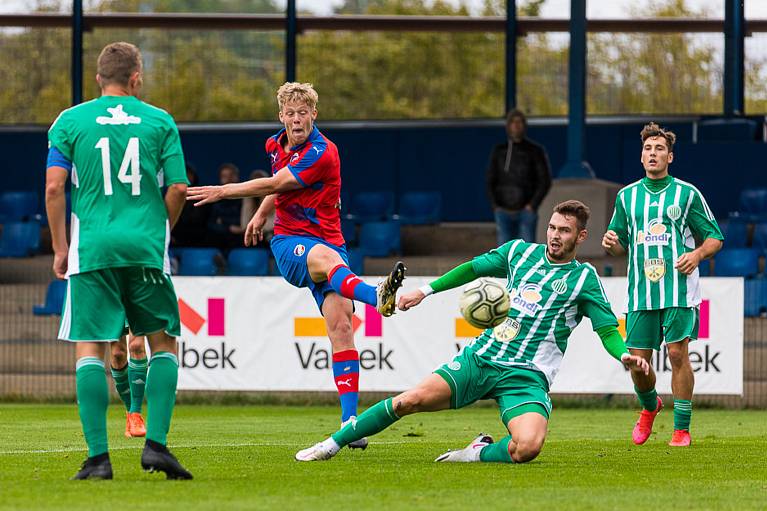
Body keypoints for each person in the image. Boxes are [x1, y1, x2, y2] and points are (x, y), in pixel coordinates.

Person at [295, 200, 650, 463]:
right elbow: (474, 268)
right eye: (553, 228)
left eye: (565, 231)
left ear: (581, 236)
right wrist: (425, 291)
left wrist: (623, 354)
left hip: (527, 378)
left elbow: (607, 331)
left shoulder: (585, 279)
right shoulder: (519, 253)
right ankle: (332, 444)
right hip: (482, 358)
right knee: (409, 401)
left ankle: (475, 453)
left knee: (527, 448)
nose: (556, 236)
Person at [186, 82, 406, 449]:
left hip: (330, 244)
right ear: (281, 117)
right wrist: (260, 213)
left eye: (303, 112)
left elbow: (278, 182)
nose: (296, 119)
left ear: (314, 115)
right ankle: (375, 294)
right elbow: (278, 187)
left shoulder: (323, 152)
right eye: (290, 113)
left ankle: (350, 421)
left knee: (341, 328)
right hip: (291, 243)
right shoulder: (275, 145)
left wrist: (225, 192)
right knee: (329, 261)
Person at [45, 41, 192, 479]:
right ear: (136, 78)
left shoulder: (69, 121)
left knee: (90, 347)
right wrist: (158, 232)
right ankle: (157, 447)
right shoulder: (159, 121)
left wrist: (59, 247)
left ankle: (97, 459)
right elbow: (180, 188)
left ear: (97, 78)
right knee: (162, 342)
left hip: (92, 248)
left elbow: (54, 188)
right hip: (145, 248)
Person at [602, 122, 724, 448]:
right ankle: (649, 406)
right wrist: (611, 242)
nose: (652, 154)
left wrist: (696, 255)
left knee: (677, 354)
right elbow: (620, 245)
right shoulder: (626, 197)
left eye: (659, 149)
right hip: (641, 292)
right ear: (641, 157)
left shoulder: (687, 194)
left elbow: (715, 238)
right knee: (637, 363)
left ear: (670, 156)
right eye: (647, 149)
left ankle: (681, 429)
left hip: (679, 289)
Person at [487, 109, 552, 244]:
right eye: (512, 122)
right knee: (504, 257)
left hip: (526, 212)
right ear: (508, 126)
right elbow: (490, 179)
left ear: (524, 125)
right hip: (502, 211)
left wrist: (532, 205)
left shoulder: (535, 151)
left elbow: (545, 180)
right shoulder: (499, 151)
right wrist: (495, 206)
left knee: (527, 255)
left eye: (519, 122)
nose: (516, 125)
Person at [109, 330, 148, 438]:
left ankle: (136, 413)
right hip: (114, 312)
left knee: (137, 345)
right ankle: (130, 414)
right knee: (117, 354)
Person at [171, 163, 211, 247]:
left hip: (198, 239)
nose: (186, 177)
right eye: (184, 174)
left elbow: (200, 220)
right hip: (176, 237)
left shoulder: (201, 194)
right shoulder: (171, 195)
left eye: (189, 174)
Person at [207, 162, 244, 249]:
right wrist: (229, 227)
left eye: (230, 176)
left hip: (241, 242)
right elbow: (211, 224)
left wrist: (222, 222)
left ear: (236, 177)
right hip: (219, 242)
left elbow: (244, 224)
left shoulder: (246, 199)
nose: (228, 179)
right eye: (224, 176)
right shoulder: (214, 200)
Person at [240, 169, 274, 241]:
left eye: (261, 183)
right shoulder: (248, 199)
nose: (258, 187)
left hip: (272, 235)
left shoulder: (274, 198)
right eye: (255, 184)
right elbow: (244, 225)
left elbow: (273, 225)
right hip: (255, 236)